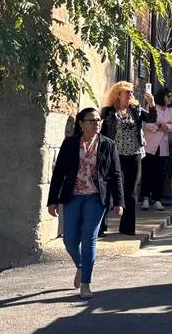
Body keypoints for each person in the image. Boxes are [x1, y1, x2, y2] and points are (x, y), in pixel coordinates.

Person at [47, 108, 124, 299]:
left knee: (89, 239)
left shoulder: (108, 144)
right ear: (81, 124)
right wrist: (52, 200)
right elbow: (59, 173)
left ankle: (86, 283)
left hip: (96, 197)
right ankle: (81, 266)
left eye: (98, 120)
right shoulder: (71, 143)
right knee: (70, 240)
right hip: (72, 196)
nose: (97, 123)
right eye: (92, 120)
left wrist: (119, 201)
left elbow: (116, 175)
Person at [99, 81, 153, 236]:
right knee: (108, 188)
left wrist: (152, 104)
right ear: (118, 94)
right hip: (114, 154)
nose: (130, 94)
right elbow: (100, 130)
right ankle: (102, 226)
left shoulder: (136, 110)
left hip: (134, 153)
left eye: (131, 92)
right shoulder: (108, 111)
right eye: (127, 92)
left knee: (130, 190)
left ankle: (127, 227)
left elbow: (151, 119)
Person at [140, 87, 172, 212]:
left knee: (159, 174)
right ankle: (145, 198)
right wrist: (160, 126)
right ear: (162, 97)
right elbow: (147, 124)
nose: (170, 98)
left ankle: (157, 199)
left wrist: (160, 125)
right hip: (150, 145)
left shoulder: (171, 111)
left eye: (171, 96)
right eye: (168, 96)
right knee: (147, 173)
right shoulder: (151, 106)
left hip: (163, 146)